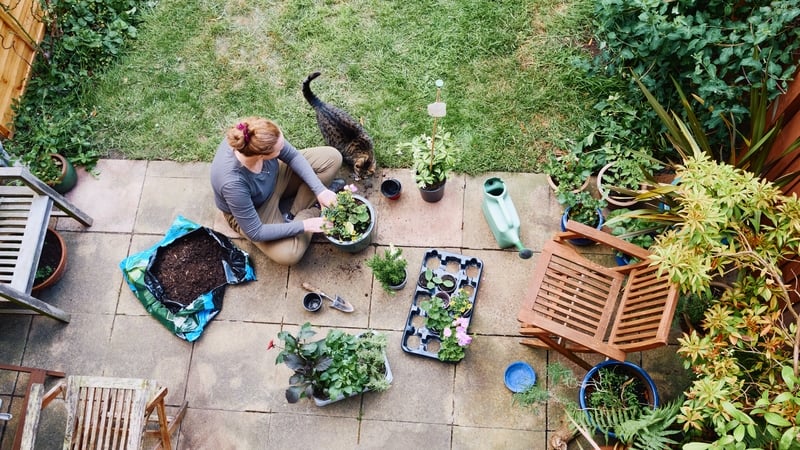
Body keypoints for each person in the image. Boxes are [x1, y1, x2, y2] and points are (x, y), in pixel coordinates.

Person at [210, 117, 343, 266]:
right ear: (261, 155)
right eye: (279, 150)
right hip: (256, 208)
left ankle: (292, 214)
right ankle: (311, 213)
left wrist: (320, 191)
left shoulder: (255, 134)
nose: (283, 149)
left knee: (332, 158)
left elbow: (292, 155)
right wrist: (306, 225)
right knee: (290, 254)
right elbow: (256, 232)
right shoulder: (232, 183)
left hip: (276, 177)